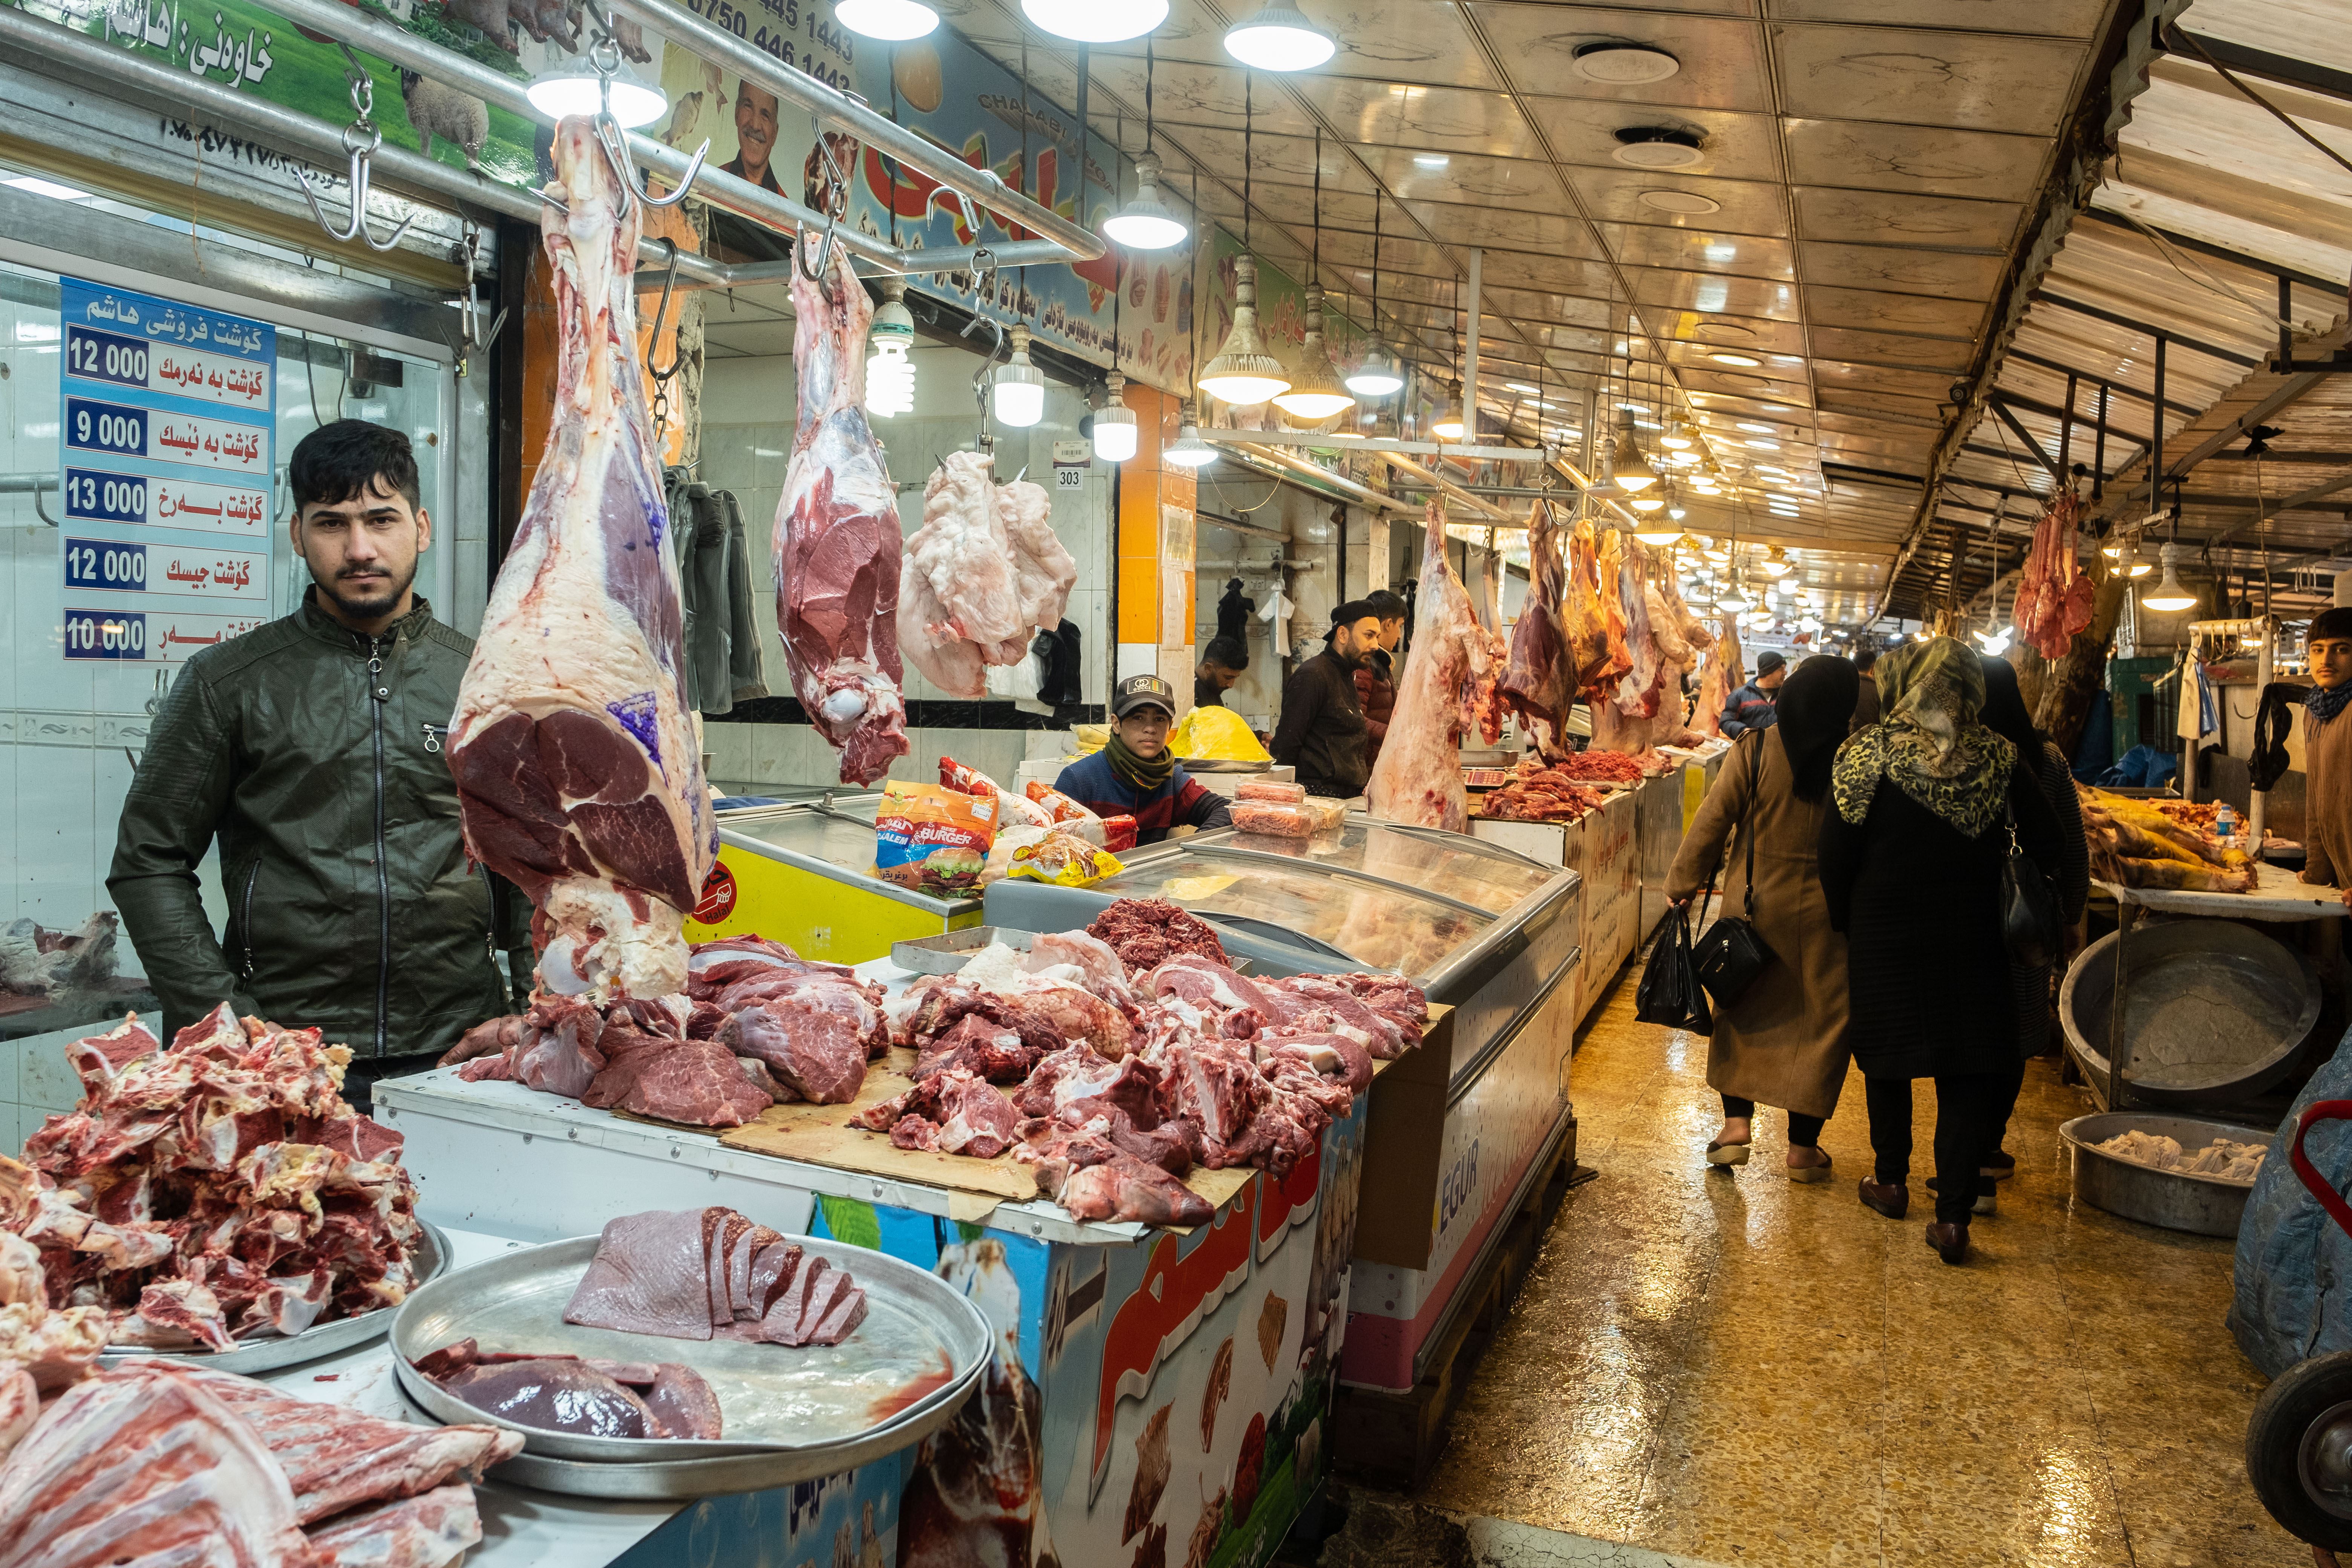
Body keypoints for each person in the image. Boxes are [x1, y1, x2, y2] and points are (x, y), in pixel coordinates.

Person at [109, 421, 530, 1110]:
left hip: (463, 1044)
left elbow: (528, 863)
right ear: (298, 535)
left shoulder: (485, 679)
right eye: (332, 523)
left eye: (381, 520)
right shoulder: (229, 682)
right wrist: (223, 1023)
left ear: (421, 528)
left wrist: (539, 1011)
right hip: (282, 1049)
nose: (360, 548)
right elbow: (149, 860)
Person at [1819, 638, 2063, 1265]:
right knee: (1967, 1065)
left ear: (1902, 683)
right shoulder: (2001, 755)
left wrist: (1845, 918)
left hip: (1884, 929)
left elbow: (1835, 852)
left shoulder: (1865, 751)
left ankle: (1891, 1181)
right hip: (1972, 930)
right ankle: (1953, 1219)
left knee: (1888, 1057)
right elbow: (2050, 843)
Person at [1666, 656, 1859, 1182]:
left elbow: (1712, 823)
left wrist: (1680, 886)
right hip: (1828, 920)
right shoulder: (1854, 762)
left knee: (1742, 1010)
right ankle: (1803, 1150)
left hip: (1753, 913)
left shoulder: (1754, 751)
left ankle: (1735, 1128)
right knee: (1820, 1025)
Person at [1961, 654, 2090, 1214]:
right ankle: (1988, 1145)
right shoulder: (2047, 757)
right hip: (2025, 914)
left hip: (1965, 916)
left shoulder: (1954, 755)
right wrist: (2072, 917)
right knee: (2014, 1029)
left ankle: (1965, 1154)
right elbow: (2071, 847)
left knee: (1969, 1032)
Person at [1053, 675, 1232, 845]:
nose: (1150, 729)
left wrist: (1192, 845)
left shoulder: (1171, 779)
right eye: (1138, 718)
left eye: (1160, 719)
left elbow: (1226, 810)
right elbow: (1051, 845)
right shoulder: (1079, 779)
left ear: (1170, 726)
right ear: (1116, 724)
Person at [1271, 601, 1380, 799]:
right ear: (1343, 635)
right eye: (1369, 635)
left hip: (1346, 798)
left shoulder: (1347, 675)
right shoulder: (1313, 676)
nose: (1375, 646)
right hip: (1319, 798)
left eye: (1377, 637)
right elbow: (1285, 747)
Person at [2301, 607, 2352, 908]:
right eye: (2317, 650)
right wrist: (2316, 873)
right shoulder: (2315, 710)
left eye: (2341, 650)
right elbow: (2315, 800)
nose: (2326, 660)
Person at [1354, 589, 1407, 775]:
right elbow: (1356, 719)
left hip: (1379, 765)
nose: (1400, 635)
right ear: (1388, 624)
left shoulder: (1382, 664)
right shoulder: (1365, 665)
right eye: (1400, 626)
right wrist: (1396, 735)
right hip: (1366, 769)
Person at [720, 78, 782, 193]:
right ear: (737, 113)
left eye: (765, 115)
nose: (755, 125)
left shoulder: (783, 206)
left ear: (775, 134)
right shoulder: (713, 184)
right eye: (748, 107)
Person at [1720, 649, 1786, 737]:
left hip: (1777, 749)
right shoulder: (1740, 695)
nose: (1785, 673)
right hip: (1751, 749)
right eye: (1781, 669)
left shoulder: (1785, 695)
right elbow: (1726, 721)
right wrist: (1744, 731)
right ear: (1769, 670)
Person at [1196, 635, 1250, 711]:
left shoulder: (1213, 689)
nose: (1231, 685)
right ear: (1208, 668)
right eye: (1228, 678)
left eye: (1235, 678)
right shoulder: (1189, 691)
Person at [1850, 644, 1882, 732]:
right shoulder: (1878, 690)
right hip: (1868, 742)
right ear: (1873, 667)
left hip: (1841, 742)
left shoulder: (1840, 686)